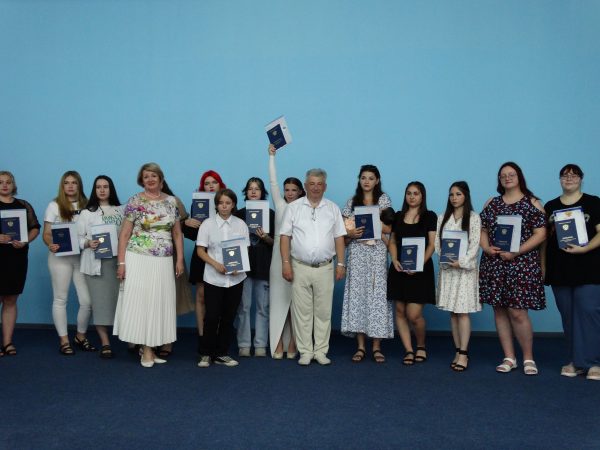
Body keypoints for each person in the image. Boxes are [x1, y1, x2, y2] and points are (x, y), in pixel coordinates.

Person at [114, 163, 184, 368]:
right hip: (138, 257)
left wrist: (180, 259)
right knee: (142, 303)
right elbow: (124, 234)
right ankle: (145, 349)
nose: (150, 179)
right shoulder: (135, 201)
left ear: (161, 179)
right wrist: (121, 262)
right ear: (141, 181)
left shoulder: (171, 202)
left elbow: (177, 233)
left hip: (163, 260)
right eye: (146, 177)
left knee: (159, 302)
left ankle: (152, 347)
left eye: (154, 176)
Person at [479, 161, 546, 375]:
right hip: (495, 263)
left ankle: (528, 358)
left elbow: (541, 234)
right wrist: (486, 247)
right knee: (499, 310)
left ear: (519, 177)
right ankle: (509, 357)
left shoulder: (532, 203)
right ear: (499, 180)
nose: (507, 178)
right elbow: (481, 229)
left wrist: (516, 251)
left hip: (521, 264)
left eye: (511, 174)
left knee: (518, 312)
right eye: (503, 175)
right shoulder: (492, 202)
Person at [279, 168, 346, 366]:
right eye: (312, 184)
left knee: (324, 312)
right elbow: (285, 237)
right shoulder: (293, 208)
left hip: (325, 267)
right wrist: (285, 263)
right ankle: (306, 352)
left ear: (325, 187)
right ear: (305, 186)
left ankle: (321, 351)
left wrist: (341, 263)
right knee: (302, 313)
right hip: (299, 267)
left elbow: (339, 238)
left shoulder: (332, 208)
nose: (315, 187)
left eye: (319, 184)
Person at [543, 164, 600, 381]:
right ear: (559, 179)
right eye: (565, 175)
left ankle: (593, 363)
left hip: (589, 268)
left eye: (574, 175)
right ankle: (573, 361)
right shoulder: (550, 206)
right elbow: (544, 241)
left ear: (581, 179)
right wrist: (543, 267)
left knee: (589, 314)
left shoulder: (593, 202)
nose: (569, 178)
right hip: (560, 269)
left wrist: (585, 248)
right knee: (568, 317)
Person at [341, 165, 394, 363]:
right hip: (357, 253)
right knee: (359, 296)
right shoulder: (351, 202)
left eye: (371, 178)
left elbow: (389, 228)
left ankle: (377, 346)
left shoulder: (383, 200)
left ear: (377, 180)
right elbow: (343, 232)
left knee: (377, 296)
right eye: (363, 177)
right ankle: (361, 346)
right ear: (359, 179)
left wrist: (373, 224)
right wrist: (350, 233)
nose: (367, 181)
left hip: (377, 253)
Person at [196, 189, 250, 368]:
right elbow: (200, 251)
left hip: (236, 279)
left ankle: (221, 353)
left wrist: (238, 267)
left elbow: (244, 249)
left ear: (233, 205)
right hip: (213, 278)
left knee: (229, 317)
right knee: (212, 316)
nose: (224, 206)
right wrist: (216, 264)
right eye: (221, 203)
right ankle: (205, 353)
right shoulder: (208, 224)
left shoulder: (241, 224)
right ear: (216, 205)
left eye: (228, 203)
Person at [43, 171, 94, 355]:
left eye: (74, 182)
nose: (70, 186)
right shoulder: (54, 205)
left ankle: (80, 336)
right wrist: (50, 244)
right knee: (60, 299)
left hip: (82, 257)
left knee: (87, 301)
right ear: (62, 186)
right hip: (60, 259)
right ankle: (64, 340)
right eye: (67, 183)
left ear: (79, 185)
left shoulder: (88, 205)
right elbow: (46, 233)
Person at [387, 182, 437, 366]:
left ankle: (421, 345)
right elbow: (393, 241)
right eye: (409, 193)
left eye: (416, 193)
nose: (412, 196)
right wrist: (394, 259)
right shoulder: (398, 216)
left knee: (413, 315)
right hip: (399, 268)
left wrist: (418, 264)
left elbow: (432, 245)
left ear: (422, 196)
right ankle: (408, 349)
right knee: (400, 311)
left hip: (420, 270)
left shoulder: (429, 216)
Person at [434, 181, 481, 372]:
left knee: (462, 312)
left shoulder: (474, 218)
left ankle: (464, 353)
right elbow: (437, 243)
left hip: (464, 272)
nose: (454, 198)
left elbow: (475, 244)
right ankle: (457, 350)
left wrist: (461, 261)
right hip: (448, 270)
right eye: (451, 194)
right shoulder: (442, 217)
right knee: (453, 312)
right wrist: (445, 258)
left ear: (466, 196)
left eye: (458, 194)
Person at [77, 175, 123, 359]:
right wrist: (88, 243)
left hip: (118, 263)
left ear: (111, 189)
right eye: (98, 187)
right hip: (96, 265)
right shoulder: (86, 213)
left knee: (122, 302)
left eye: (105, 186)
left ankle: (131, 340)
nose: (102, 190)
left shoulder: (121, 210)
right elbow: (78, 238)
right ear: (94, 190)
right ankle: (105, 342)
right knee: (100, 304)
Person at [182, 170, 226, 354]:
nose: (210, 186)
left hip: (222, 255)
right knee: (201, 296)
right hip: (202, 255)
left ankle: (216, 335)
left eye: (214, 182)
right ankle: (202, 336)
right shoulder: (198, 205)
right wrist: (187, 224)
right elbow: (193, 236)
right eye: (207, 183)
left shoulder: (227, 204)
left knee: (219, 298)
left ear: (220, 185)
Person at [268, 145, 305, 359]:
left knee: (295, 303)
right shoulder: (280, 205)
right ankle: (278, 342)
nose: (289, 193)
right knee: (278, 301)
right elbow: (272, 181)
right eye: (287, 189)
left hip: (298, 258)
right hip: (277, 259)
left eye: (293, 190)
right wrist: (272, 157)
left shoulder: (305, 209)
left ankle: (293, 342)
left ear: (300, 191)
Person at [0, 171, 40, 356]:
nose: (4, 185)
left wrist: (25, 241)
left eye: (8, 182)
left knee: (10, 300)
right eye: (1, 182)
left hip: (16, 258)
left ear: (13, 185)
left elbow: (35, 228)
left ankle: (7, 343)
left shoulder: (23, 205)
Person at [234, 177, 275, 357]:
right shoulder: (238, 215)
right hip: (243, 267)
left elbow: (277, 243)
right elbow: (231, 242)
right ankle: (243, 343)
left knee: (262, 307)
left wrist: (266, 237)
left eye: (257, 189)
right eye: (250, 188)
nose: (253, 191)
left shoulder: (271, 214)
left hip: (263, 266)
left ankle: (260, 344)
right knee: (243, 307)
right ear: (246, 192)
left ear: (262, 192)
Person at [158, 180, 194, 358]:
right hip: (149, 257)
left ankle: (167, 341)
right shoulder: (141, 202)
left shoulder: (174, 201)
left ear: (161, 183)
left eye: (156, 178)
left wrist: (188, 223)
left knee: (170, 299)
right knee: (152, 300)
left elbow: (183, 227)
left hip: (171, 256)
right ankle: (149, 339)